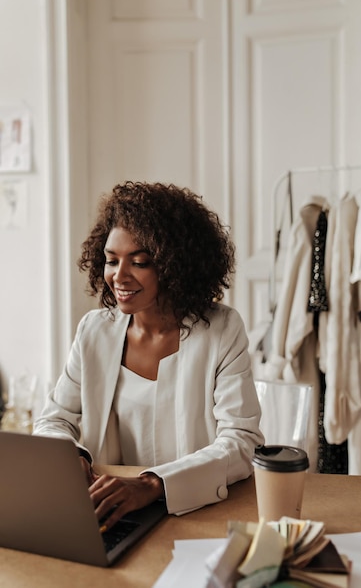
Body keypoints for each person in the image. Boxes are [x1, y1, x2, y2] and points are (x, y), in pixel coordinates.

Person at [33, 181, 264, 531]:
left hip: (195, 514)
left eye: (139, 262)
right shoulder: (94, 331)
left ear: (174, 266)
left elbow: (241, 442)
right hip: (109, 517)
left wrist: (152, 484)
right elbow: (54, 420)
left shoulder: (221, 330)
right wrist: (72, 458)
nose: (119, 276)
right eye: (111, 260)